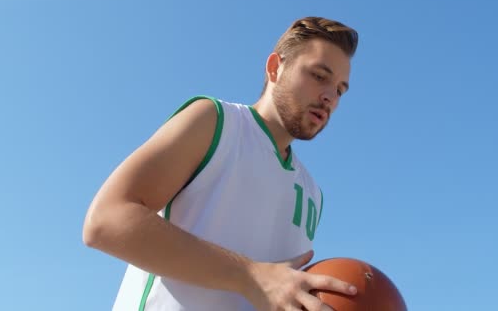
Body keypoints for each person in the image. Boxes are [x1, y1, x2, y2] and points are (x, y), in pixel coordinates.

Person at [83, 16, 359, 311]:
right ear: (275, 67)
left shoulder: (312, 193)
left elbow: (274, 294)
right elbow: (105, 220)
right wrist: (251, 275)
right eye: (319, 76)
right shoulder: (216, 122)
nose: (330, 96)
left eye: (340, 90)